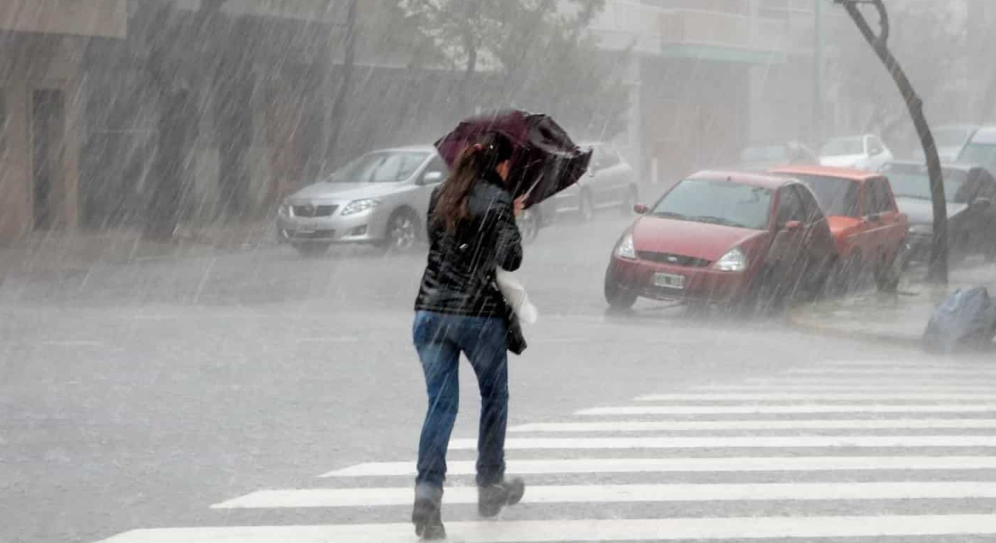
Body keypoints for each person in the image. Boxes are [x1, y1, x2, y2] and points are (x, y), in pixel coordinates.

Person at [411, 131, 526, 540]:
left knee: (440, 408)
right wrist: (510, 215)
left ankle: (427, 497)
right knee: (494, 398)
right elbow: (510, 258)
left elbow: (443, 246)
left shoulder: (439, 195)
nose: (509, 171)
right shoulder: (497, 200)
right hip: (477, 317)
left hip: (429, 313)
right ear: (500, 164)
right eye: (509, 165)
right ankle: (490, 485)